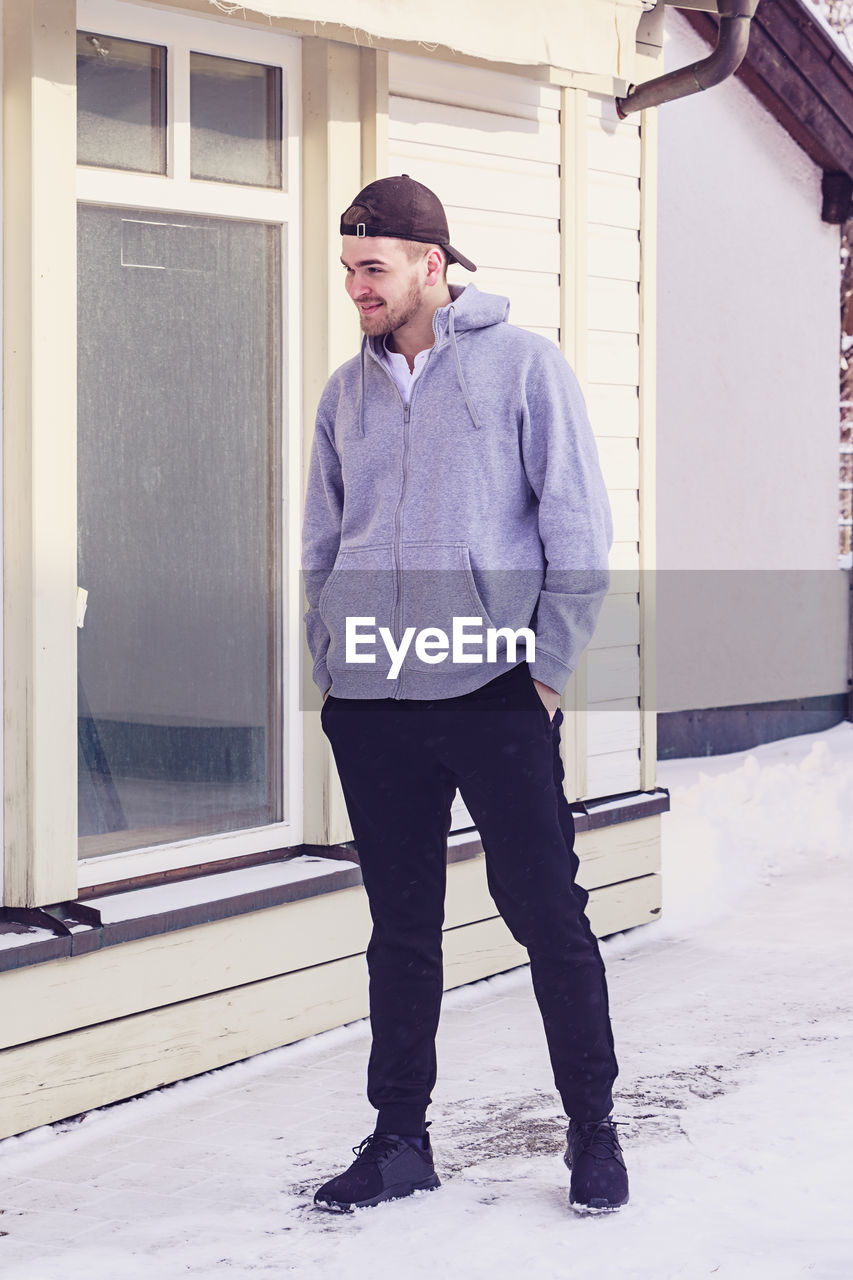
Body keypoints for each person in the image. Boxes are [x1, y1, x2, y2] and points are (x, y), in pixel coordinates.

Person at [301, 175, 628, 1214]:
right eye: (348, 268)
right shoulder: (345, 394)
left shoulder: (523, 366)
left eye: (372, 268)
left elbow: (575, 527)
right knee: (400, 926)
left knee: (545, 913)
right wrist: (333, 659)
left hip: (491, 691)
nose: (355, 286)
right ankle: (400, 1138)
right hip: (374, 706)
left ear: (431, 266)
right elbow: (321, 542)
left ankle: (592, 1130)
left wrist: (542, 671)